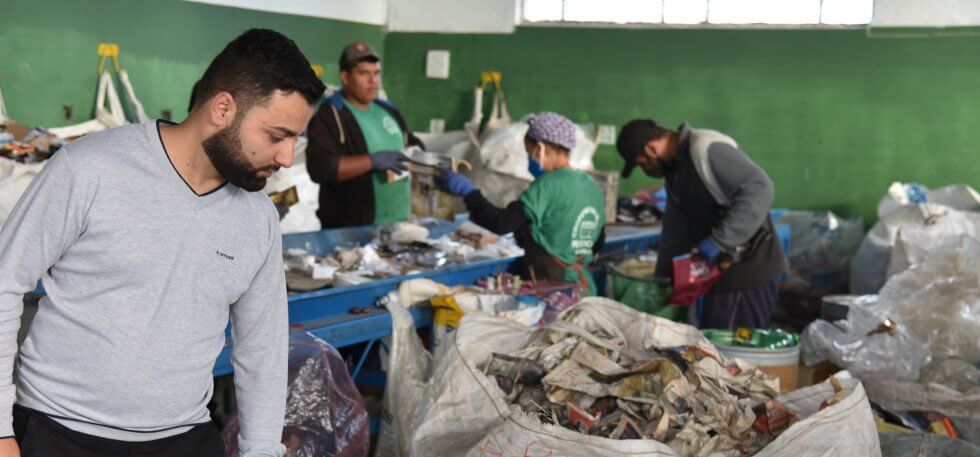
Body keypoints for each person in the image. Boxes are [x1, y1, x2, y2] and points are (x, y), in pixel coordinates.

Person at [0, 28, 325, 457]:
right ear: (223, 108)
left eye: (294, 140)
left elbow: (263, 355)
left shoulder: (257, 221)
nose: (287, 157)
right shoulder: (90, 169)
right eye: (277, 135)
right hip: (59, 449)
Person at [616, 118, 788, 329]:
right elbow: (675, 228)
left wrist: (719, 241)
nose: (646, 170)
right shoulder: (676, 171)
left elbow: (759, 188)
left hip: (747, 270)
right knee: (711, 341)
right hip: (719, 274)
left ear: (651, 149)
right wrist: (664, 278)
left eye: (643, 164)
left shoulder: (706, 149)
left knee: (731, 346)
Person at [438, 112, 606, 295]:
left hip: (552, 292)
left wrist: (469, 192)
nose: (529, 160)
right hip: (583, 289)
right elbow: (597, 241)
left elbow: (501, 222)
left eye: (529, 152)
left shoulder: (547, 185)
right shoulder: (591, 186)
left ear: (540, 148)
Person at [306, 41, 424, 228]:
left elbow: (409, 140)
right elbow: (320, 168)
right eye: (364, 73)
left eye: (376, 73)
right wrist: (371, 161)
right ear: (345, 77)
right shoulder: (331, 115)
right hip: (352, 229)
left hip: (399, 223)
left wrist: (419, 154)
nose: (373, 80)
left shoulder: (387, 108)